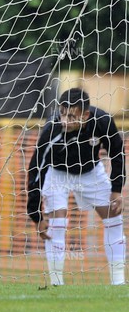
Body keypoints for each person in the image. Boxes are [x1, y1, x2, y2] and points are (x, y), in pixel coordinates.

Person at [27, 88, 126, 285]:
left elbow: (117, 153)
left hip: (91, 172)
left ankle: (118, 282)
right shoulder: (52, 128)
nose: (65, 121)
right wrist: (36, 215)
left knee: (115, 217)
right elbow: (36, 169)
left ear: (86, 114)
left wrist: (116, 189)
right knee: (57, 225)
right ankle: (56, 283)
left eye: (71, 116)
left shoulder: (102, 121)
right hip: (58, 175)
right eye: (62, 113)